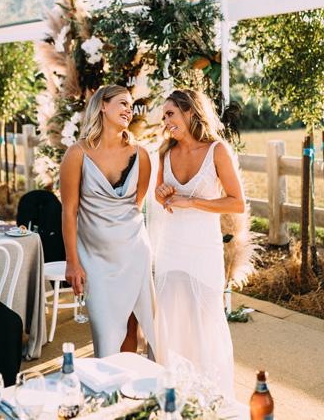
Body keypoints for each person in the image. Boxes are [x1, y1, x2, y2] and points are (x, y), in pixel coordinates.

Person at [153, 89, 245, 401]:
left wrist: (192, 201)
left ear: (190, 112)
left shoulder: (217, 151)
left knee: (206, 328)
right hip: (169, 251)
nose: (165, 122)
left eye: (170, 114)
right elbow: (159, 195)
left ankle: (210, 401)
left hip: (203, 253)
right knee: (170, 324)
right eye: (165, 116)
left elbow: (238, 203)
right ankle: (174, 398)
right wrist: (164, 193)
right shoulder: (165, 153)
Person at [60, 85, 156, 357]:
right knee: (105, 336)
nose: (129, 109)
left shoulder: (141, 155)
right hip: (95, 260)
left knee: (132, 328)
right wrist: (72, 261)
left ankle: (131, 393)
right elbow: (69, 211)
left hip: (134, 253)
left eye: (130, 104)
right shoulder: (77, 154)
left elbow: (136, 205)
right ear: (103, 105)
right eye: (123, 103)